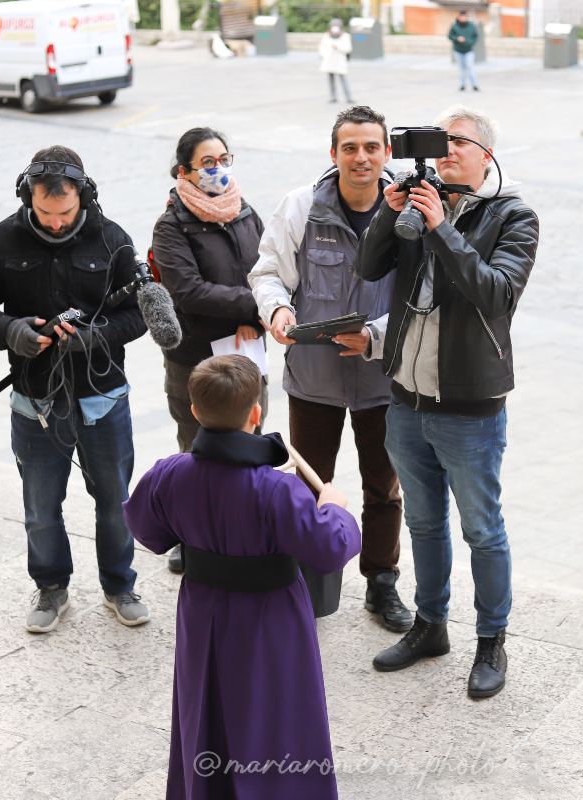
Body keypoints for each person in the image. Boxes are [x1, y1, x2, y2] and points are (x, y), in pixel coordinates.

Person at [355, 106, 539, 699]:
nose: (444, 152)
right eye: (439, 143)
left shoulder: (514, 216)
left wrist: (442, 228)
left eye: (457, 142)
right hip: (406, 398)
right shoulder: (418, 199)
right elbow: (368, 266)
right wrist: (389, 217)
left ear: (487, 154)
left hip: (469, 405)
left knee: (482, 529)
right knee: (423, 521)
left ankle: (492, 641)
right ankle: (430, 626)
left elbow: (495, 294)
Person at [124, 355, 360, 800]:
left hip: (203, 611)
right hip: (271, 619)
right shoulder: (278, 489)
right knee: (276, 715)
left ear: (194, 412)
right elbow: (330, 549)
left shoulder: (169, 475)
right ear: (256, 413)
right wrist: (333, 507)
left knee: (206, 708)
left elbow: (147, 531)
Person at [0, 145, 151, 633]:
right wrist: (11, 330)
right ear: (28, 196)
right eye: (44, 212)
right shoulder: (2, 239)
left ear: (83, 197)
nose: (56, 222)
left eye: (65, 213)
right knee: (40, 507)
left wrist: (97, 335)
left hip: (103, 398)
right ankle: (51, 587)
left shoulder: (113, 239)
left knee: (114, 501)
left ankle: (119, 585)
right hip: (34, 401)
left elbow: (140, 316)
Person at [249, 105, 412, 632]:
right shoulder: (301, 206)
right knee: (308, 484)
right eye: (349, 147)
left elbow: (422, 296)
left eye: (371, 147)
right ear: (333, 153)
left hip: (384, 378)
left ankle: (381, 582)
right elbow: (268, 271)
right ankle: (304, 576)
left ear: (387, 152)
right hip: (314, 378)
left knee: (384, 487)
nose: (360, 157)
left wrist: (374, 337)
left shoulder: (409, 213)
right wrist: (275, 309)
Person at [152, 127, 268, 574]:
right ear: (185, 170)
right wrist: (254, 305)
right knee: (196, 445)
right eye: (207, 163)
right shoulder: (172, 225)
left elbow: (266, 269)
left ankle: (245, 523)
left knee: (250, 440)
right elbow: (189, 292)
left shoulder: (244, 210)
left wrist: (254, 312)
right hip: (196, 356)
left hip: (245, 349)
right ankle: (190, 534)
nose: (218, 169)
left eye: (223, 158)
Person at [318, 17, 353, 104]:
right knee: (331, 79)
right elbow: (322, 47)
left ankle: (348, 97)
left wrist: (338, 47)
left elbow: (348, 48)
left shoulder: (345, 36)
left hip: (339, 61)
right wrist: (324, 55)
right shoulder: (326, 36)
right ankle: (333, 97)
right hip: (329, 60)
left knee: (343, 79)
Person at [448, 10, 480, 92]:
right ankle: (462, 85)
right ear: (459, 17)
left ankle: (474, 85)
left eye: (465, 17)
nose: (463, 18)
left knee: (470, 67)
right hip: (458, 50)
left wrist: (470, 43)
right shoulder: (454, 26)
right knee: (461, 68)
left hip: (468, 50)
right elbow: (450, 35)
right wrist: (457, 38)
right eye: (461, 17)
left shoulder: (471, 26)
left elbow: (475, 36)